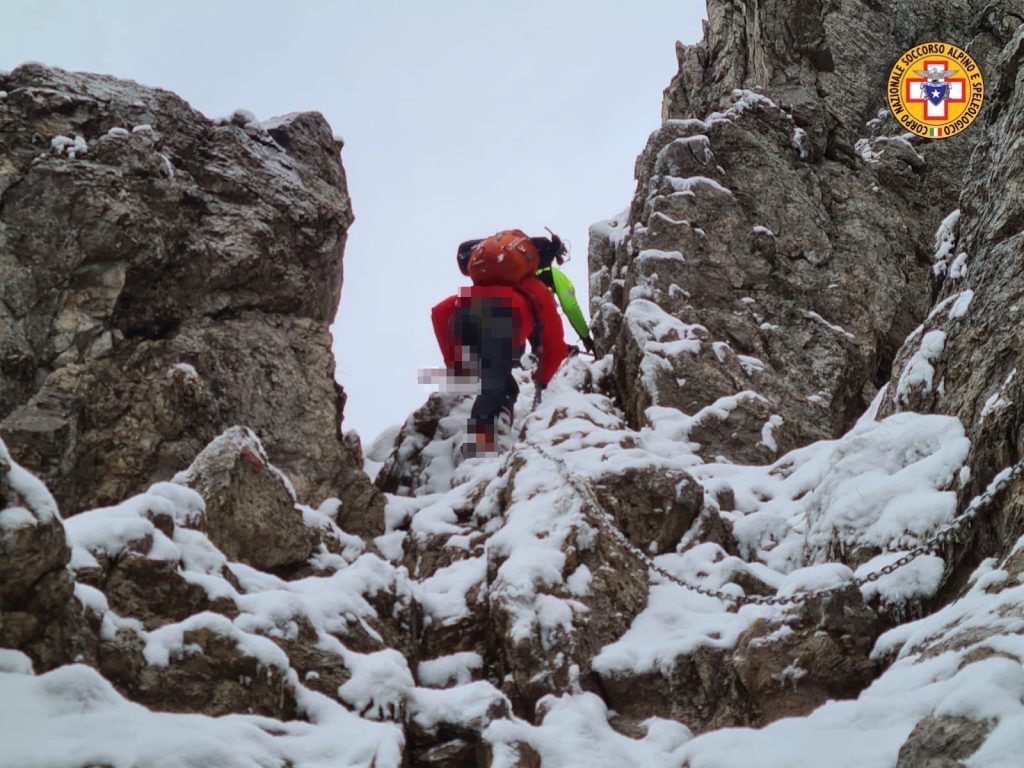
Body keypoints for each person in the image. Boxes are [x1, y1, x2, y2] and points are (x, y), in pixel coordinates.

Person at [434, 231, 567, 457]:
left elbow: (439, 312)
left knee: (500, 382)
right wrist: (543, 382)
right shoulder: (532, 287)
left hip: (464, 322)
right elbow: (553, 341)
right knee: (495, 383)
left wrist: (455, 363)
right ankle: (478, 450)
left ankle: (496, 425)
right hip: (505, 321)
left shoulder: (472, 291)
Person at [457, 232, 596, 355]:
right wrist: (586, 338)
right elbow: (570, 307)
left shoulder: (514, 271)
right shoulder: (551, 275)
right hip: (519, 319)